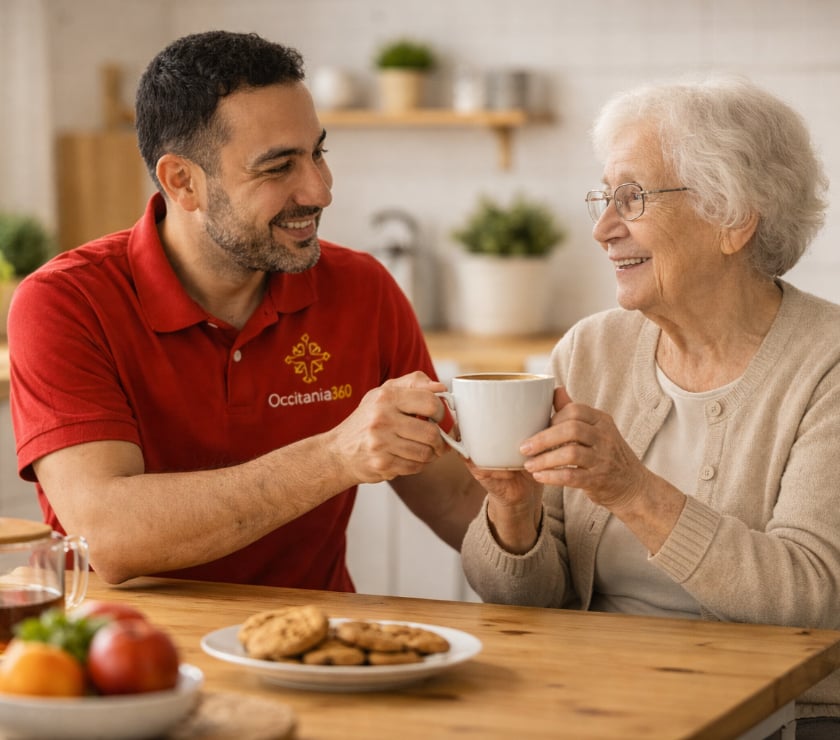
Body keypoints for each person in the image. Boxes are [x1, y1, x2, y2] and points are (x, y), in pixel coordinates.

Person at [8, 30, 483, 591]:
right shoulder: (65, 303)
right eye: (278, 166)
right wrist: (337, 455)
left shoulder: (363, 289)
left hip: (321, 652)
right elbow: (108, 536)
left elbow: (453, 497)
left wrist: (552, 526)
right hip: (130, 655)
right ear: (182, 182)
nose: (320, 190)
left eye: (318, 153)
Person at [460, 76, 840, 736]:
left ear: (733, 219)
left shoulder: (826, 365)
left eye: (631, 198)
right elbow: (522, 600)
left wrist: (633, 491)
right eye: (603, 200)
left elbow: (808, 603)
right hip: (593, 701)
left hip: (777, 716)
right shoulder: (590, 350)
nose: (604, 229)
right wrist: (513, 515)